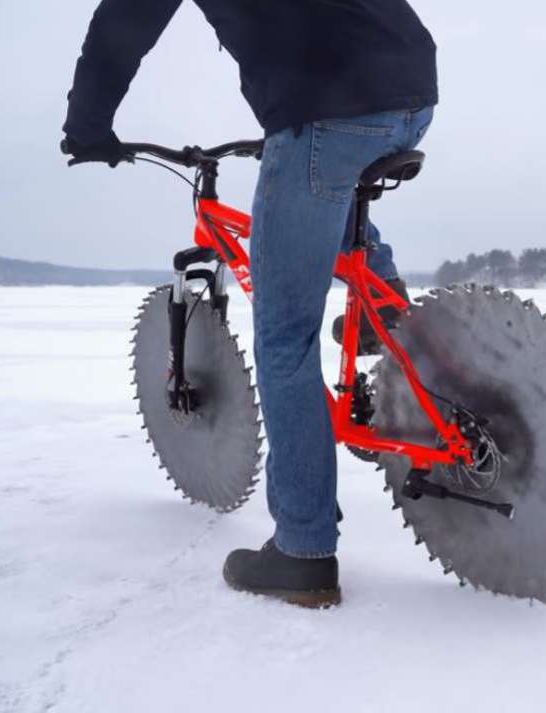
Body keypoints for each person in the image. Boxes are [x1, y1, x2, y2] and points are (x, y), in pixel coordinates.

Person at [61, 0, 437, 607]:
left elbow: (121, 26)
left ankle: (303, 551)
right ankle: (381, 301)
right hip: (411, 91)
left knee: (285, 339)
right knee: (329, 190)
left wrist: (87, 126)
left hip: (327, 108)